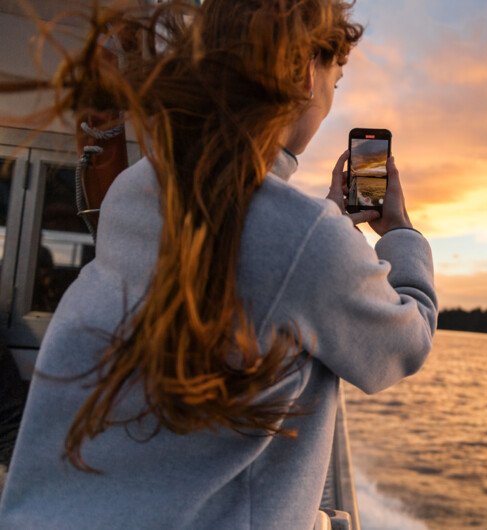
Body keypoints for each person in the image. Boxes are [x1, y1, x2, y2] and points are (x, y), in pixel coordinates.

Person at [0, 0, 437, 527]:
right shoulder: (303, 237)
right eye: (334, 83)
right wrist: (400, 230)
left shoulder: (134, 191)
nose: (328, 100)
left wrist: (323, 227)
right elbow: (405, 343)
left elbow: (254, 247)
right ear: (306, 75)